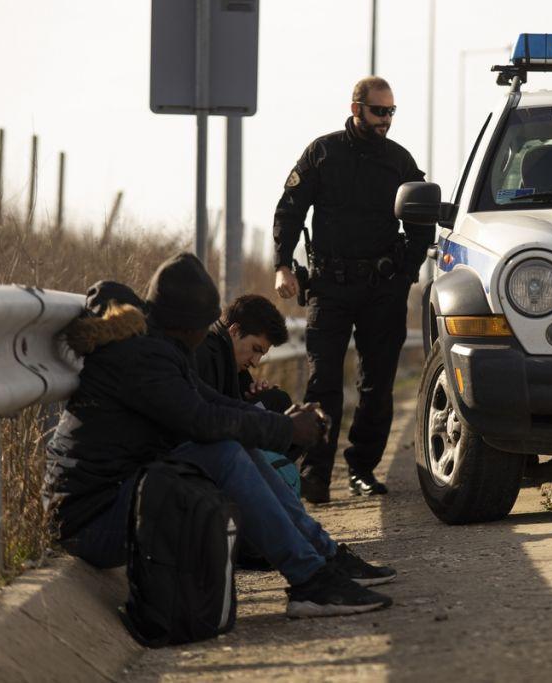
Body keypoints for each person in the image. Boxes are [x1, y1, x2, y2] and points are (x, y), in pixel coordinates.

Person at [45, 253, 396, 618]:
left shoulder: (160, 348)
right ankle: (310, 579)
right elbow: (202, 420)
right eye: (205, 324)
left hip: (122, 501)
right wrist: (286, 429)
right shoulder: (140, 358)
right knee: (224, 452)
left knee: (235, 444)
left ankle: (322, 558)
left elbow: (213, 404)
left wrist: (286, 422)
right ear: (186, 324)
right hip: (91, 522)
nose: (209, 331)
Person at [272, 76, 432, 503]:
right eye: (379, 111)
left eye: (391, 112)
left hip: (383, 289)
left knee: (377, 385)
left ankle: (362, 468)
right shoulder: (323, 152)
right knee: (323, 382)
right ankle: (316, 475)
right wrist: (283, 265)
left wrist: (406, 273)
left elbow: (422, 220)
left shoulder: (400, 161)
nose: (386, 120)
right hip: (330, 286)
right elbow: (290, 209)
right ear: (356, 107)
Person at [196, 293, 293, 415]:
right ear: (235, 331)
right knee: (277, 401)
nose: (255, 362)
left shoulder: (233, 363)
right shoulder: (203, 353)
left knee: (276, 399)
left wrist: (253, 398)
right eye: (255, 349)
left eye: (261, 355)